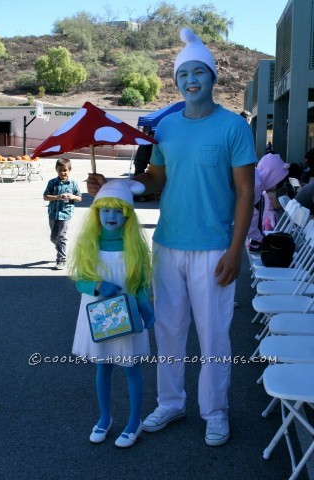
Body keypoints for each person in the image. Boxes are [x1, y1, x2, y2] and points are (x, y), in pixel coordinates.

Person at [86, 27, 256, 447]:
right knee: (168, 329)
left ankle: (215, 411)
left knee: (215, 333)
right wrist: (114, 185)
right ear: (176, 81)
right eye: (183, 75)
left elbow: (246, 192)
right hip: (167, 244)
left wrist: (237, 250)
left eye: (199, 73)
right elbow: (156, 179)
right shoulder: (165, 130)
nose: (191, 81)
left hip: (215, 247)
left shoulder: (233, 127)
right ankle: (171, 402)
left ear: (213, 78)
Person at [69, 179, 155, 448]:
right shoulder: (89, 243)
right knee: (102, 366)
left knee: (131, 368)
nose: (111, 216)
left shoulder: (134, 246)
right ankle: (105, 417)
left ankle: (134, 421)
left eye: (118, 210)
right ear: (97, 213)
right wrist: (96, 285)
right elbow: (79, 278)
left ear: (127, 214)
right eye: (105, 210)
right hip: (98, 315)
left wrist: (145, 307)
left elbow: (140, 283)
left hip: (125, 314)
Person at [43, 158, 82, 270]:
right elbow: (45, 197)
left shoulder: (73, 184)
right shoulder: (52, 182)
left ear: (69, 170)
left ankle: (62, 260)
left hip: (65, 214)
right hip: (53, 214)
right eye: (60, 170)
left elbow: (79, 198)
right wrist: (57, 197)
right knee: (53, 238)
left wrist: (72, 196)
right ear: (56, 170)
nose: (62, 173)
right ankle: (61, 249)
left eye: (65, 170)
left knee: (61, 237)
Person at [248, 152, 289, 252]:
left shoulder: (254, 176)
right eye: (278, 183)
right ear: (272, 176)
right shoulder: (256, 185)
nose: (275, 189)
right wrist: (260, 239)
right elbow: (249, 217)